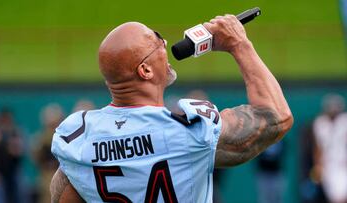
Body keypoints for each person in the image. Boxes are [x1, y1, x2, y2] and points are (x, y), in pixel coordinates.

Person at [50, 14, 293, 202]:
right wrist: (239, 44)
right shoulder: (188, 131)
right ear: (145, 70)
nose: (165, 42)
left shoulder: (78, 139)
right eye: (157, 39)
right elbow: (277, 118)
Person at [312, 94, 347, 203]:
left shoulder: (344, 121)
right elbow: (318, 147)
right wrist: (318, 165)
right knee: (334, 197)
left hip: (343, 164)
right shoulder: (320, 123)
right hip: (328, 165)